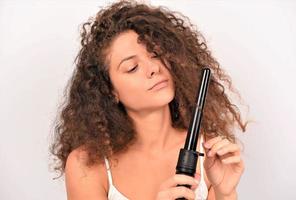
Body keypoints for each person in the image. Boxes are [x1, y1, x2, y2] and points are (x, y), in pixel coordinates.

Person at [49, 1, 249, 199]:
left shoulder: (209, 154)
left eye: (155, 54)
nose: (154, 68)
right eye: (132, 68)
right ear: (109, 90)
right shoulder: (87, 164)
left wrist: (225, 193)